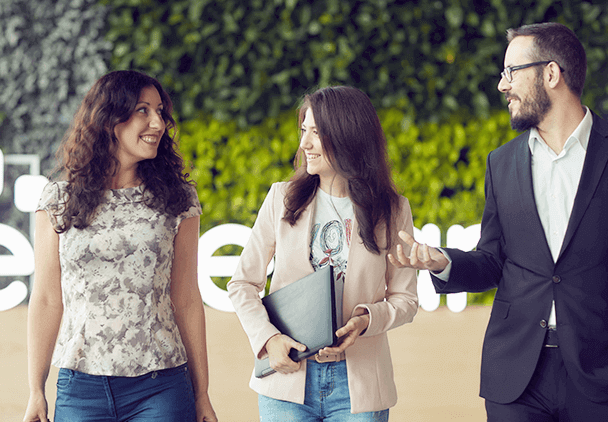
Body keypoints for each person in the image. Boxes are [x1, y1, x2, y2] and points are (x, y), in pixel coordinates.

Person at [389, 22, 608, 420]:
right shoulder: (502, 162)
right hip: (517, 376)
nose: (502, 85)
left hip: (598, 374)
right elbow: (493, 259)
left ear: (551, 74)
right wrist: (441, 261)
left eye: (511, 72)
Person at [22, 70, 217, 422]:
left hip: (161, 385)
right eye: (143, 110)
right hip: (80, 387)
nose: (157, 122)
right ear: (110, 119)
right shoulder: (57, 199)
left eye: (160, 111)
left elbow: (187, 299)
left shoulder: (178, 199)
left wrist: (202, 394)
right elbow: (48, 299)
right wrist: (36, 390)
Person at [227, 86, 418, 421]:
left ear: (348, 136)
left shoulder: (392, 209)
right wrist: (268, 340)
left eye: (317, 133)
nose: (305, 144)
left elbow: (405, 299)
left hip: (360, 384)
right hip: (287, 380)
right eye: (304, 130)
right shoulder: (281, 198)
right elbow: (242, 284)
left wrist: (366, 321)